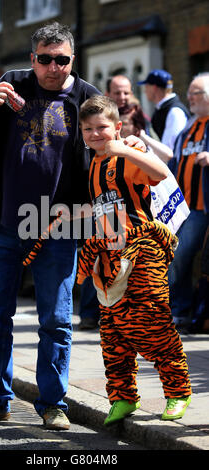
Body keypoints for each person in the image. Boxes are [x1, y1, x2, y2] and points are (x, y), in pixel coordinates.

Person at [0, 22, 101, 430]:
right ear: (32, 58)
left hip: (55, 226)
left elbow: (107, 146)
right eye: (45, 59)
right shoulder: (11, 84)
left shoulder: (87, 96)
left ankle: (53, 404)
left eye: (62, 60)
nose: (53, 68)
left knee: (55, 319)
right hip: (3, 223)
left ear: (73, 59)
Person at [77, 95, 192, 426]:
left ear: (116, 127)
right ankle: (123, 397)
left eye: (102, 128)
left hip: (144, 252)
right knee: (113, 334)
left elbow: (162, 172)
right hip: (110, 257)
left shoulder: (126, 156)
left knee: (153, 324)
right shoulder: (94, 165)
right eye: (88, 129)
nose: (95, 134)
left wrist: (128, 149)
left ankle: (178, 391)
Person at [168, 72, 209, 329]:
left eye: (196, 93)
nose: (190, 98)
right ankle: (180, 310)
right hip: (181, 207)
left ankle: (179, 309)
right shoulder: (188, 128)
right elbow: (174, 162)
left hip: (200, 208)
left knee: (179, 255)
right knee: (173, 254)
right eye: (190, 93)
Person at [137, 69, 190, 150]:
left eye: (146, 86)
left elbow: (169, 149)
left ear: (154, 88)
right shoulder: (163, 109)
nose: (145, 91)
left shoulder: (175, 112)